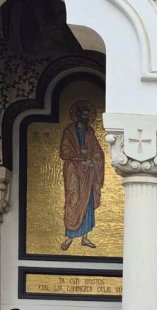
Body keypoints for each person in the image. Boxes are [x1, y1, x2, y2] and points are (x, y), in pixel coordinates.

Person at [59, 99, 105, 251]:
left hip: (88, 172)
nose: (86, 119)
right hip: (73, 170)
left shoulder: (90, 132)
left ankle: (85, 237)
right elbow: (64, 151)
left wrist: (92, 159)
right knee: (74, 197)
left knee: (88, 200)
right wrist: (79, 154)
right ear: (77, 116)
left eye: (88, 116)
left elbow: (98, 151)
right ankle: (70, 236)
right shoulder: (69, 131)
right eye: (83, 116)